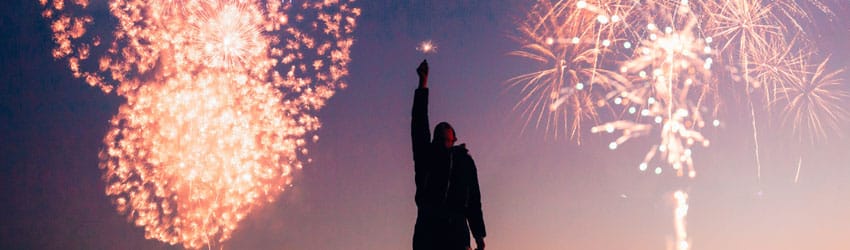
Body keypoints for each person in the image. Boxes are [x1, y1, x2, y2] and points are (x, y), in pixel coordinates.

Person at [411, 60, 486, 250]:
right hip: (428, 230)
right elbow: (419, 124)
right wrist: (423, 84)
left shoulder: (464, 162)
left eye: (446, 139)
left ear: (453, 140)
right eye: (439, 139)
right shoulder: (426, 157)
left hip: (457, 233)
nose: (443, 143)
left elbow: (473, 199)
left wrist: (478, 234)